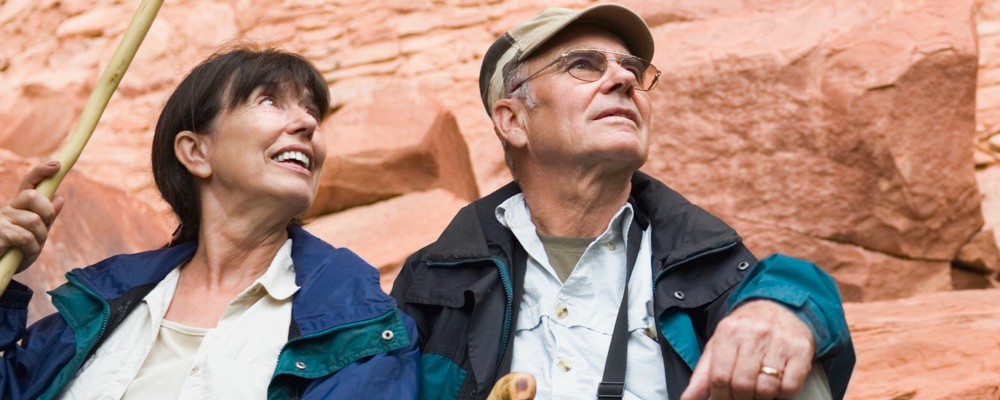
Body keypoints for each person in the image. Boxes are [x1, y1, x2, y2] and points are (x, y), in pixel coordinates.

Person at [390, 3, 854, 400]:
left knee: (783, 351)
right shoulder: (432, 281)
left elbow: (800, 288)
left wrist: (781, 309)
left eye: (631, 69)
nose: (623, 80)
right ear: (512, 120)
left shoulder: (702, 261)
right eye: (584, 65)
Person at [0, 47, 419, 399]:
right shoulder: (95, 309)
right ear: (196, 153)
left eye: (313, 112)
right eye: (269, 100)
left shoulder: (363, 331)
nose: (309, 123)